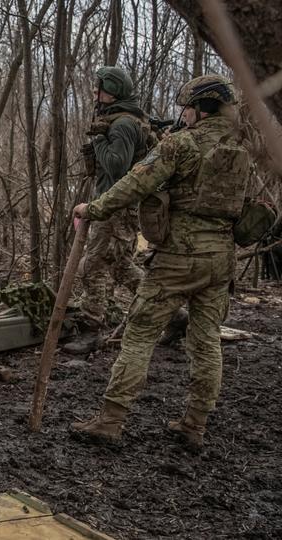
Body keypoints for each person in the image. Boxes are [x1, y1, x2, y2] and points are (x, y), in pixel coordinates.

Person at [70, 75, 249, 448]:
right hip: (222, 257)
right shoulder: (241, 147)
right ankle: (194, 425)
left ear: (201, 108)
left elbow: (134, 182)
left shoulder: (182, 144)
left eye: (186, 108)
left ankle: (110, 420)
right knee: (206, 342)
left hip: (178, 257)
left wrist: (94, 208)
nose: (182, 115)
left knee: (138, 335)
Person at [65, 66, 157, 355]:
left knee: (93, 267)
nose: (94, 92)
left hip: (115, 208)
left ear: (113, 90)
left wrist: (101, 138)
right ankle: (174, 315)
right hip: (117, 207)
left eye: (99, 87)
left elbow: (117, 166)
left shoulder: (123, 124)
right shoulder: (121, 120)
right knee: (120, 266)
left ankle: (92, 331)